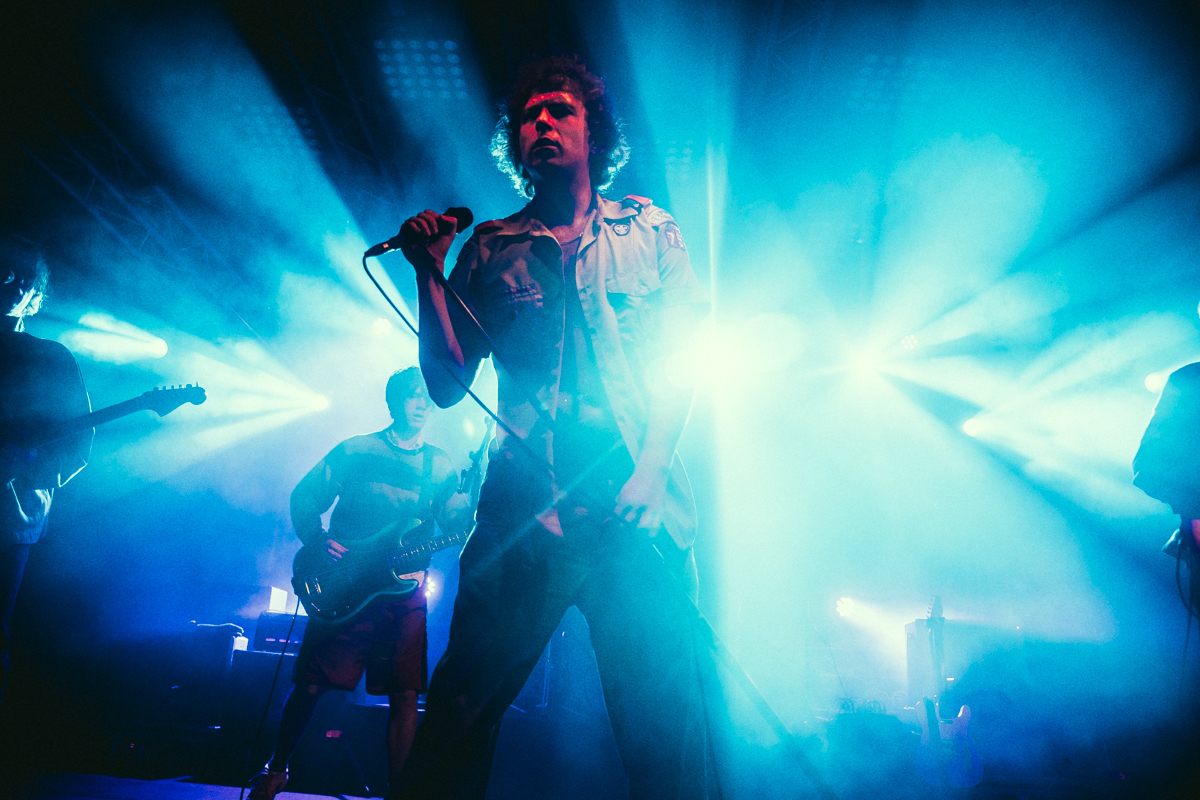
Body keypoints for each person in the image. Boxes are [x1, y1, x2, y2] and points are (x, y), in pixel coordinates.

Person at [390, 55, 711, 799]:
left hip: (633, 509)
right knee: (459, 714)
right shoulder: (490, 248)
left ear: (594, 133)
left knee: (664, 727)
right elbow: (444, 387)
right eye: (529, 115)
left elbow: (683, 360)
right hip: (523, 515)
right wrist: (429, 272)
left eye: (559, 110)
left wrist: (652, 470)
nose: (541, 122)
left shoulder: (649, 229)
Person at [249, 367, 471, 799]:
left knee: (405, 694)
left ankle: (399, 793)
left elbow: (457, 522)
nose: (422, 403)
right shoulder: (355, 450)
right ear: (393, 402)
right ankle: (276, 769)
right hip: (345, 585)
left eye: (427, 396)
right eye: (413, 395)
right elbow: (305, 496)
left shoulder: (440, 464)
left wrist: (479, 499)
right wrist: (317, 539)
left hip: (404, 592)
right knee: (311, 684)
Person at [0, 239, 91, 703]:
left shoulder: (51, 358)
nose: (9, 282)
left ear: (35, 295)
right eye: (4, 271)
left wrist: (27, 470)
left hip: (8, 519)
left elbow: (77, 447)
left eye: (23, 278)